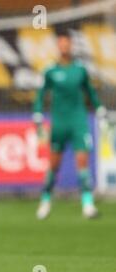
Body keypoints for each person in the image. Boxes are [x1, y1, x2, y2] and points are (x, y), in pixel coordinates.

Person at [33, 31, 107, 220]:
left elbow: (90, 92)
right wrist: (38, 112)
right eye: (61, 44)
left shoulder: (80, 70)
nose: (64, 47)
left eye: (67, 44)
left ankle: (88, 204)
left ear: (71, 46)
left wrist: (98, 108)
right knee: (53, 166)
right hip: (59, 123)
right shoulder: (50, 70)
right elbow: (41, 94)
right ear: (58, 46)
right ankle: (46, 200)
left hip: (78, 122)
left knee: (82, 164)